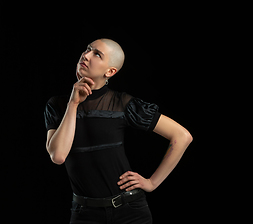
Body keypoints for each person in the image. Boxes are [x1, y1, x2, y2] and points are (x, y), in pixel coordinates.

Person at [44, 38, 193, 224]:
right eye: (88, 49)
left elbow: (182, 136)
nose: (86, 55)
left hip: (130, 212)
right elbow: (58, 156)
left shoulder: (122, 104)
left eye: (97, 54)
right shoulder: (57, 105)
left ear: (110, 71)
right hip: (85, 214)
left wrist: (152, 183)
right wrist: (73, 104)